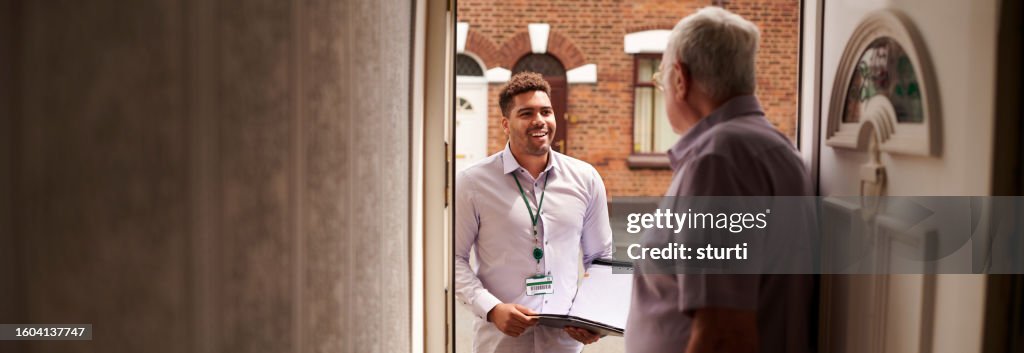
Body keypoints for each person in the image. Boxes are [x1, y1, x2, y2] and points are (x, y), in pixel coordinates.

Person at [624, 7, 814, 353]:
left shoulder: (717, 161)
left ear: (680, 79)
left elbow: (723, 334)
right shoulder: (770, 145)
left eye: (661, 77)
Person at [455, 72, 614, 353]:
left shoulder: (586, 178)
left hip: (563, 344)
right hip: (500, 344)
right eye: (526, 113)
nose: (539, 120)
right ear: (506, 123)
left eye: (546, 111)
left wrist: (594, 316)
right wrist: (491, 308)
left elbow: (600, 258)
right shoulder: (472, 183)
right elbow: (452, 259)